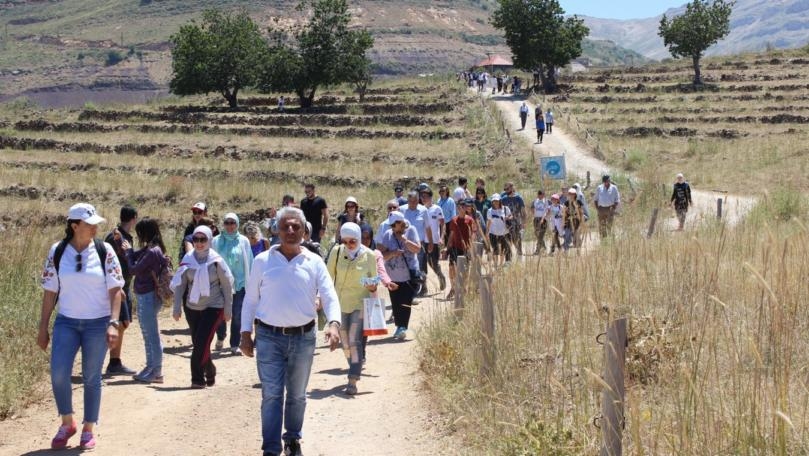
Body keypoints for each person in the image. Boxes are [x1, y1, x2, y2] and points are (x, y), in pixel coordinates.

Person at [240, 207, 342, 456]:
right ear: (276, 229)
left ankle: (292, 439)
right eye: (285, 226)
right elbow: (251, 299)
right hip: (268, 336)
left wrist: (334, 323)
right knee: (271, 394)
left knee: (297, 395)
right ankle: (271, 448)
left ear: (304, 231)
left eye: (296, 226)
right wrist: (244, 333)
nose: (290, 230)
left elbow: (329, 294)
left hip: (303, 338)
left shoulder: (314, 262)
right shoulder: (263, 260)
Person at [38, 203, 124, 451]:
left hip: (98, 323)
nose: (95, 228)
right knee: (58, 372)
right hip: (66, 321)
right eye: (89, 224)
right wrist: (43, 327)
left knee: (91, 376)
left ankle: (88, 428)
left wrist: (113, 323)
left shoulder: (104, 250)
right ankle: (67, 423)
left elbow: (116, 289)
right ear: (75, 226)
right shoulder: (57, 251)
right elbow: (50, 292)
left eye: (96, 223)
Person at [171, 226, 234, 388]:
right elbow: (180, 284)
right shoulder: (188, 259)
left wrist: (228, 309)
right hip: (192, 307)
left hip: (214, 306)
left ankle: (197, 379)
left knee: (200, 343)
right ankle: (210, 369)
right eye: (196, 239)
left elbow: (227, 285)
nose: (199, 243)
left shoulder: (216, 261)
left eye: (203, 239)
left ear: (209, 240)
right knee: (200, 343)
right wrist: (176, 307)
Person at [326, 223, 378, 395]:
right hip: (339, 303)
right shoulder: (337, 252)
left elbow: (373, 280)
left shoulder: (369, 255)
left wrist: (371, 285)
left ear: (359, 239)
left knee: (354, 340)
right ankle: (355, 364)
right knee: (345, 343)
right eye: (345, 241)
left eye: (352, 241)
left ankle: (353, 379)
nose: (348, 245)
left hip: (359, 303)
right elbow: (328, 277)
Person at [122, 217, 168, 384]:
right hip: (147, 296)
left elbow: (133, 269)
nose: (138, 236)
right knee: (148, 334)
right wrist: (128, 250)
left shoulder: (152, 251)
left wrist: (128, 253)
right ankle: (150, 368)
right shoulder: (151, 248)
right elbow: (135, 255)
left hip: (149, 296)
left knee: (151, 335)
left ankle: (156, 371)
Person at [103, 205, 137, 376]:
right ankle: (113, 362)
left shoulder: (123, 236)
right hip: (117, 286)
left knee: (124, 322)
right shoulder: (115, 237)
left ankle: (114, 362)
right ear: (134, 218)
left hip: (124, 284)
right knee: (120, 322)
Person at [212, 213, 253, 355]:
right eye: (227, 223)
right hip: (220, 284)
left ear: (237, 224)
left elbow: (250, 261)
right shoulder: (216, 241)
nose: (230, 226)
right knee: (219, 314)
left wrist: (252, 282)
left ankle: (235, 343)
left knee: (237, 314)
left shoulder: (244, 241)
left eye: (232, 223)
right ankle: (220, 335)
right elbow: (211, 261)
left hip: (239, 283)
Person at [377, 211, 421, 340]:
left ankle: (402, 327)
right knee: (396, 302)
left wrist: (404, 240)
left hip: (409, 274)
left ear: (400, 223)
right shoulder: (388, 234)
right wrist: (393, 253)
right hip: (393, 275)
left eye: (394, 225)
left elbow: (417, 249)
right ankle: (399, 326)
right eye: (391, 225)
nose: (392, 228)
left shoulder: (411, 230)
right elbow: (382, 256)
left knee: (406, 302)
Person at [443, 199, 477, 300]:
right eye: (458, 207)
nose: (460, 208)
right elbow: (451, 235)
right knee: (452, 269)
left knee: (465, 270)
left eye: (462, 207)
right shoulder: (453, 220)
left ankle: (464, 289)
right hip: (455, 248)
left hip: (466, 248)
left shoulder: (470, 220)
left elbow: (473, 233)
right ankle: (453, 288)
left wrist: (471, 246)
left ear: (465, 208)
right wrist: (447, 248)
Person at [400, 191, 429, 296]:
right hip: (404, 243)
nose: (412, 204)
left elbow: (428, 227)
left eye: (414, 201)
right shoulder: (401, 210)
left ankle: (423, 286)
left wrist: (430, 242)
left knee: (420, 266)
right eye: (410, 201)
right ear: (407, 201)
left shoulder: (423, 210)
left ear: (418, 201)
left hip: (419, 243)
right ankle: (410, 290)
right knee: (407, 266)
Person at [421, 188, 447, 291]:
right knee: (422, 264)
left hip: (434, 240)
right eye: (422, 196)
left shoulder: (437, 209)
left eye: (425, 196)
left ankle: (440, 276)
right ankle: (423, 287)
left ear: (431, 197)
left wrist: (442, 237)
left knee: (433, 263)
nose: (423, 198)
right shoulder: (420, 209)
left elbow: (443, 224)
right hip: (423, 241)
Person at [501, 182, 527, 256]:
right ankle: (509, 257)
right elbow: (501, 211)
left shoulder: (518, 198)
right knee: (508, 240)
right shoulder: (503, 199)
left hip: (517, 222)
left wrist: (524, 222)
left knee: (517, 239)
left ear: (512, 188)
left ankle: (519, 254)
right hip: (507, 223)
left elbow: (523, 212)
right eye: (505, 189)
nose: (506, 191)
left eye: (507, 189)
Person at [486, 194, 512, 266]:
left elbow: (511, 216)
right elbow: (489, 221)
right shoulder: (490, 211)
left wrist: (508, 218)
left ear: (500, 201)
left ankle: (501, 265)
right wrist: (487, 232)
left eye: (497, 201)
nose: (495, 202)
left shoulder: (505, 209)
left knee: (503, 250)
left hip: (504, 233)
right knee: (495, 250)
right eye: (494, 201)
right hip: (493, 233)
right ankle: (495, 265)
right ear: (492, 202)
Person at [532, 190, 550, 255]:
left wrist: (543, 218)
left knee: (540, 235)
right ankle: (544, 246)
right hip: (536, 218)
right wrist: (534, 215)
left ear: (543, 195)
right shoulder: (535, 201)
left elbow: (547, 210)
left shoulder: (546, 201)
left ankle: (537, 250)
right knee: (536, 233)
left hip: (543, 219)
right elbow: (532, 208)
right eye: (539, 195)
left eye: (542, 195)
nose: (540, 196)